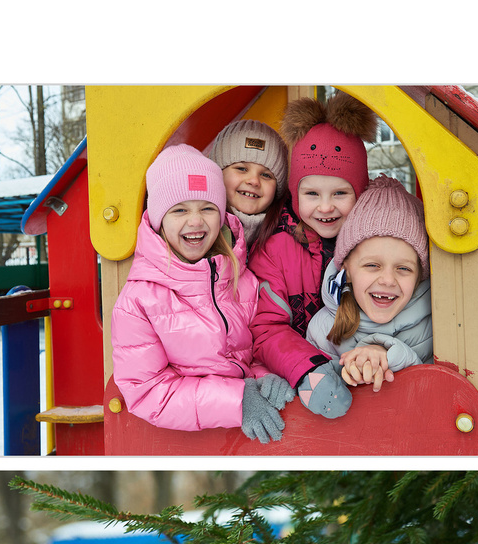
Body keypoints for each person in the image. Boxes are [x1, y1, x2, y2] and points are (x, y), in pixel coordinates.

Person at [111, 145, 286, 440]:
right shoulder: (139, 301)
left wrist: (266, 377)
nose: (195, 221)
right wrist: (236, 400)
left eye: (207, 208)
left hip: (248, 433)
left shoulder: (242, 278)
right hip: (189, 441)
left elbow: (254, 350)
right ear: (159, 219)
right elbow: (147, 392)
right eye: (179, 210)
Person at [249, 95, 373, 390]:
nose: (326, 207)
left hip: (365, 370)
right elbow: (266, 328)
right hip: (301, 375)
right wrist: (310, 369)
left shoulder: (373, 241)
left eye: (340, 194)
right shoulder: (275, 248)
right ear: (294, 194)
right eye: (312, 194)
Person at [298, 178, 434, 419]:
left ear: (420, 276)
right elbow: (313, 397)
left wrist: (388, 354)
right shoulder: (323, 328)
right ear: (347, 270)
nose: (388, 280)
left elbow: (438, 395)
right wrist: (344, 374)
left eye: (404, 269)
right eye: (372, 265)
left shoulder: (437, 321)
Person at [205, 116, 288, 260]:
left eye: (266, 175)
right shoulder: (198, 230)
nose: (254, 181)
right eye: (242, 169)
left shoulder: (287, 237)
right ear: (218, 174)